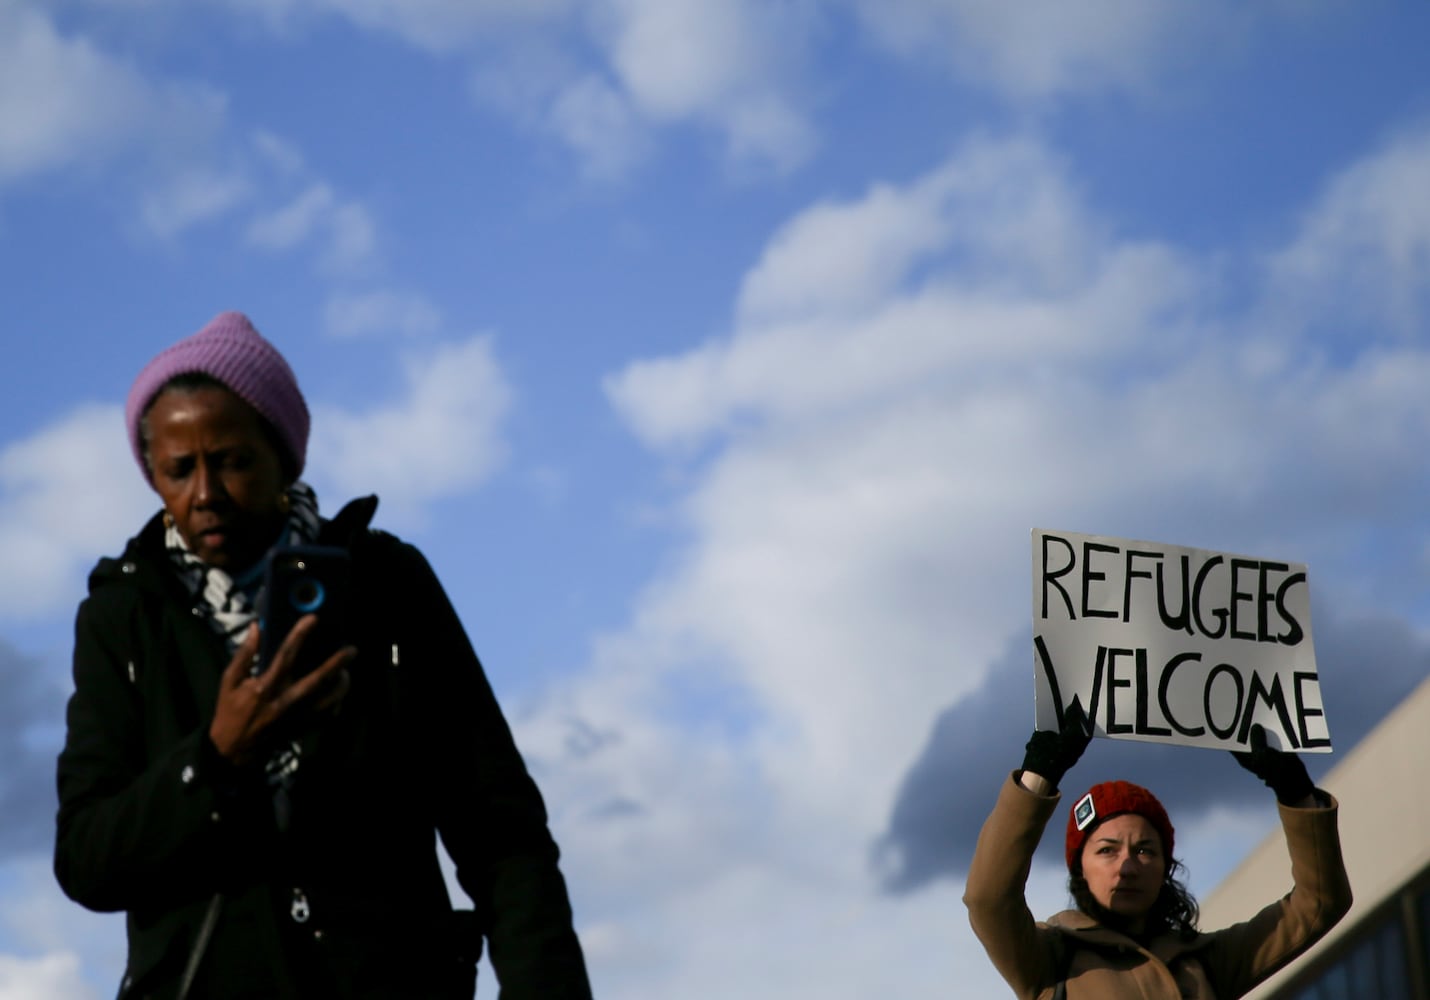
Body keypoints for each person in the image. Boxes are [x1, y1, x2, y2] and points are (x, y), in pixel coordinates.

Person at [54, 311, 593, 1000]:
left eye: (232, 461)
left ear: (282, 456)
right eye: (178, 470)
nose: (205, 494)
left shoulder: (384, 581)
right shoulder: (121, 617)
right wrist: (215, 759)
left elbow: (500, 831)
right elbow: (87, 863)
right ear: (153, 477)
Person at [963, 707, 1352, 999]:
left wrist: (1296, 791)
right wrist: (1037, 775)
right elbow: (989, 900)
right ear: (1078, 866)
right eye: (1107, 850)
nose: (1127, 866)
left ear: (1167, 866)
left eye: (1145, 850)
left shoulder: (1208, 961)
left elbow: (1320, 902)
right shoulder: (1048, 958)